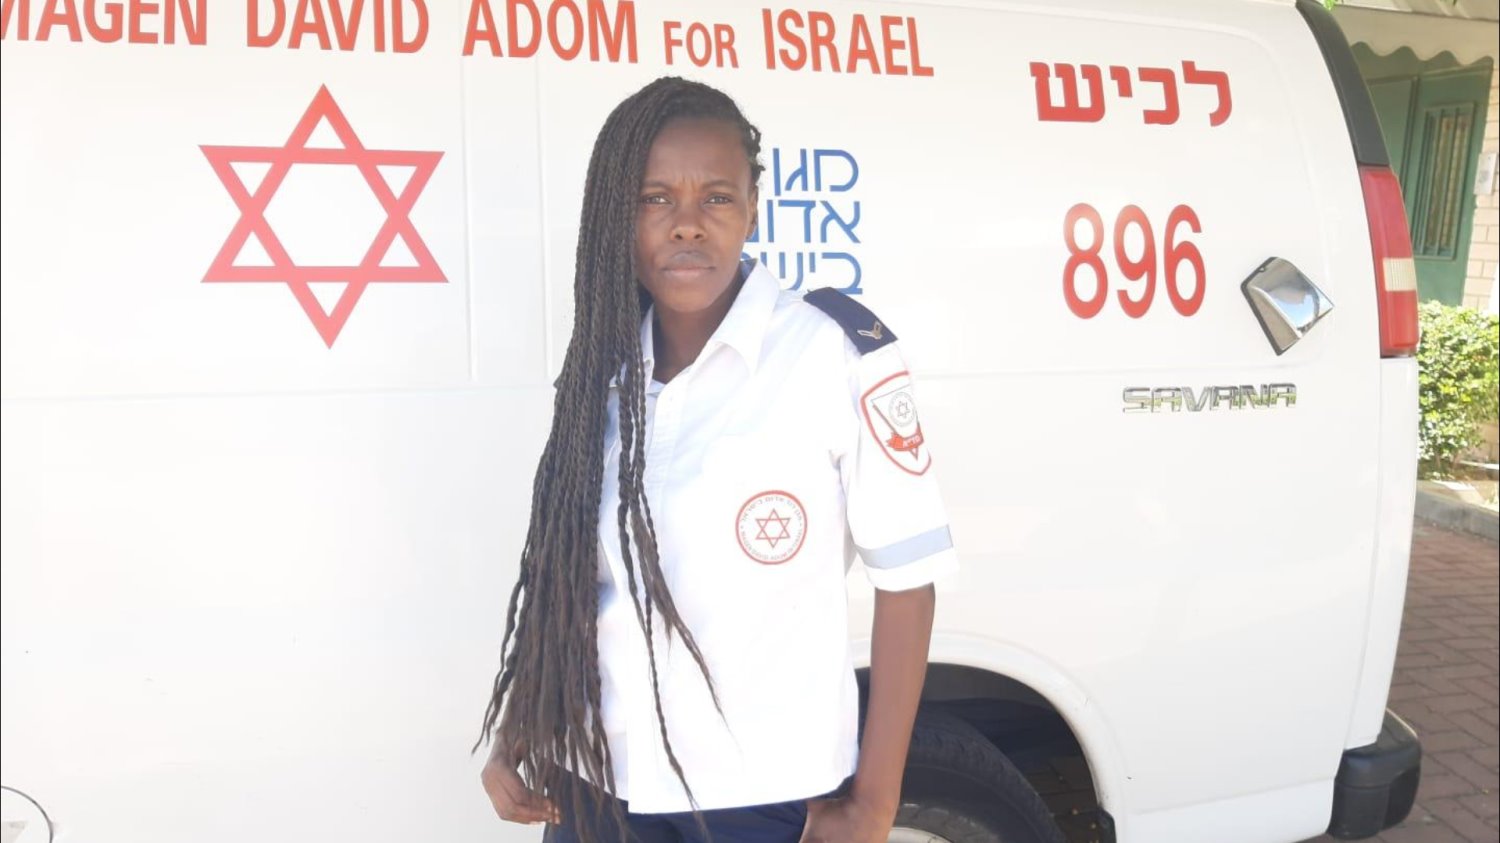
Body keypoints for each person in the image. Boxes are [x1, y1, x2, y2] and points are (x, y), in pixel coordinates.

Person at [475, 76, 957, 843]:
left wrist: (874, 803)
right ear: (619, 215)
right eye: (656, 198)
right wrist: (523, 722)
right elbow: (572, 577)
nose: (688, 225)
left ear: (753, 210)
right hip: (597, 782)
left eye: (717, 198)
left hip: (755, 798)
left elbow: (907, 582)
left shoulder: (831, 355)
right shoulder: (602, 372)